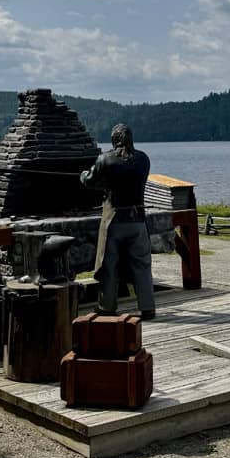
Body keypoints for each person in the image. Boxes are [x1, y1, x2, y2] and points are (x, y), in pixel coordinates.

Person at [80, 123, 155, 319]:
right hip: (138, 220)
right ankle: (147, 307)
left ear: (114, 140)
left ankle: (107, 306)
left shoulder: (105, 159)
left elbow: (89, 181)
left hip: (113, 221)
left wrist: (82, 176)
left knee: (109, 264)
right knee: (142, 265)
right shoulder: (143, 159)